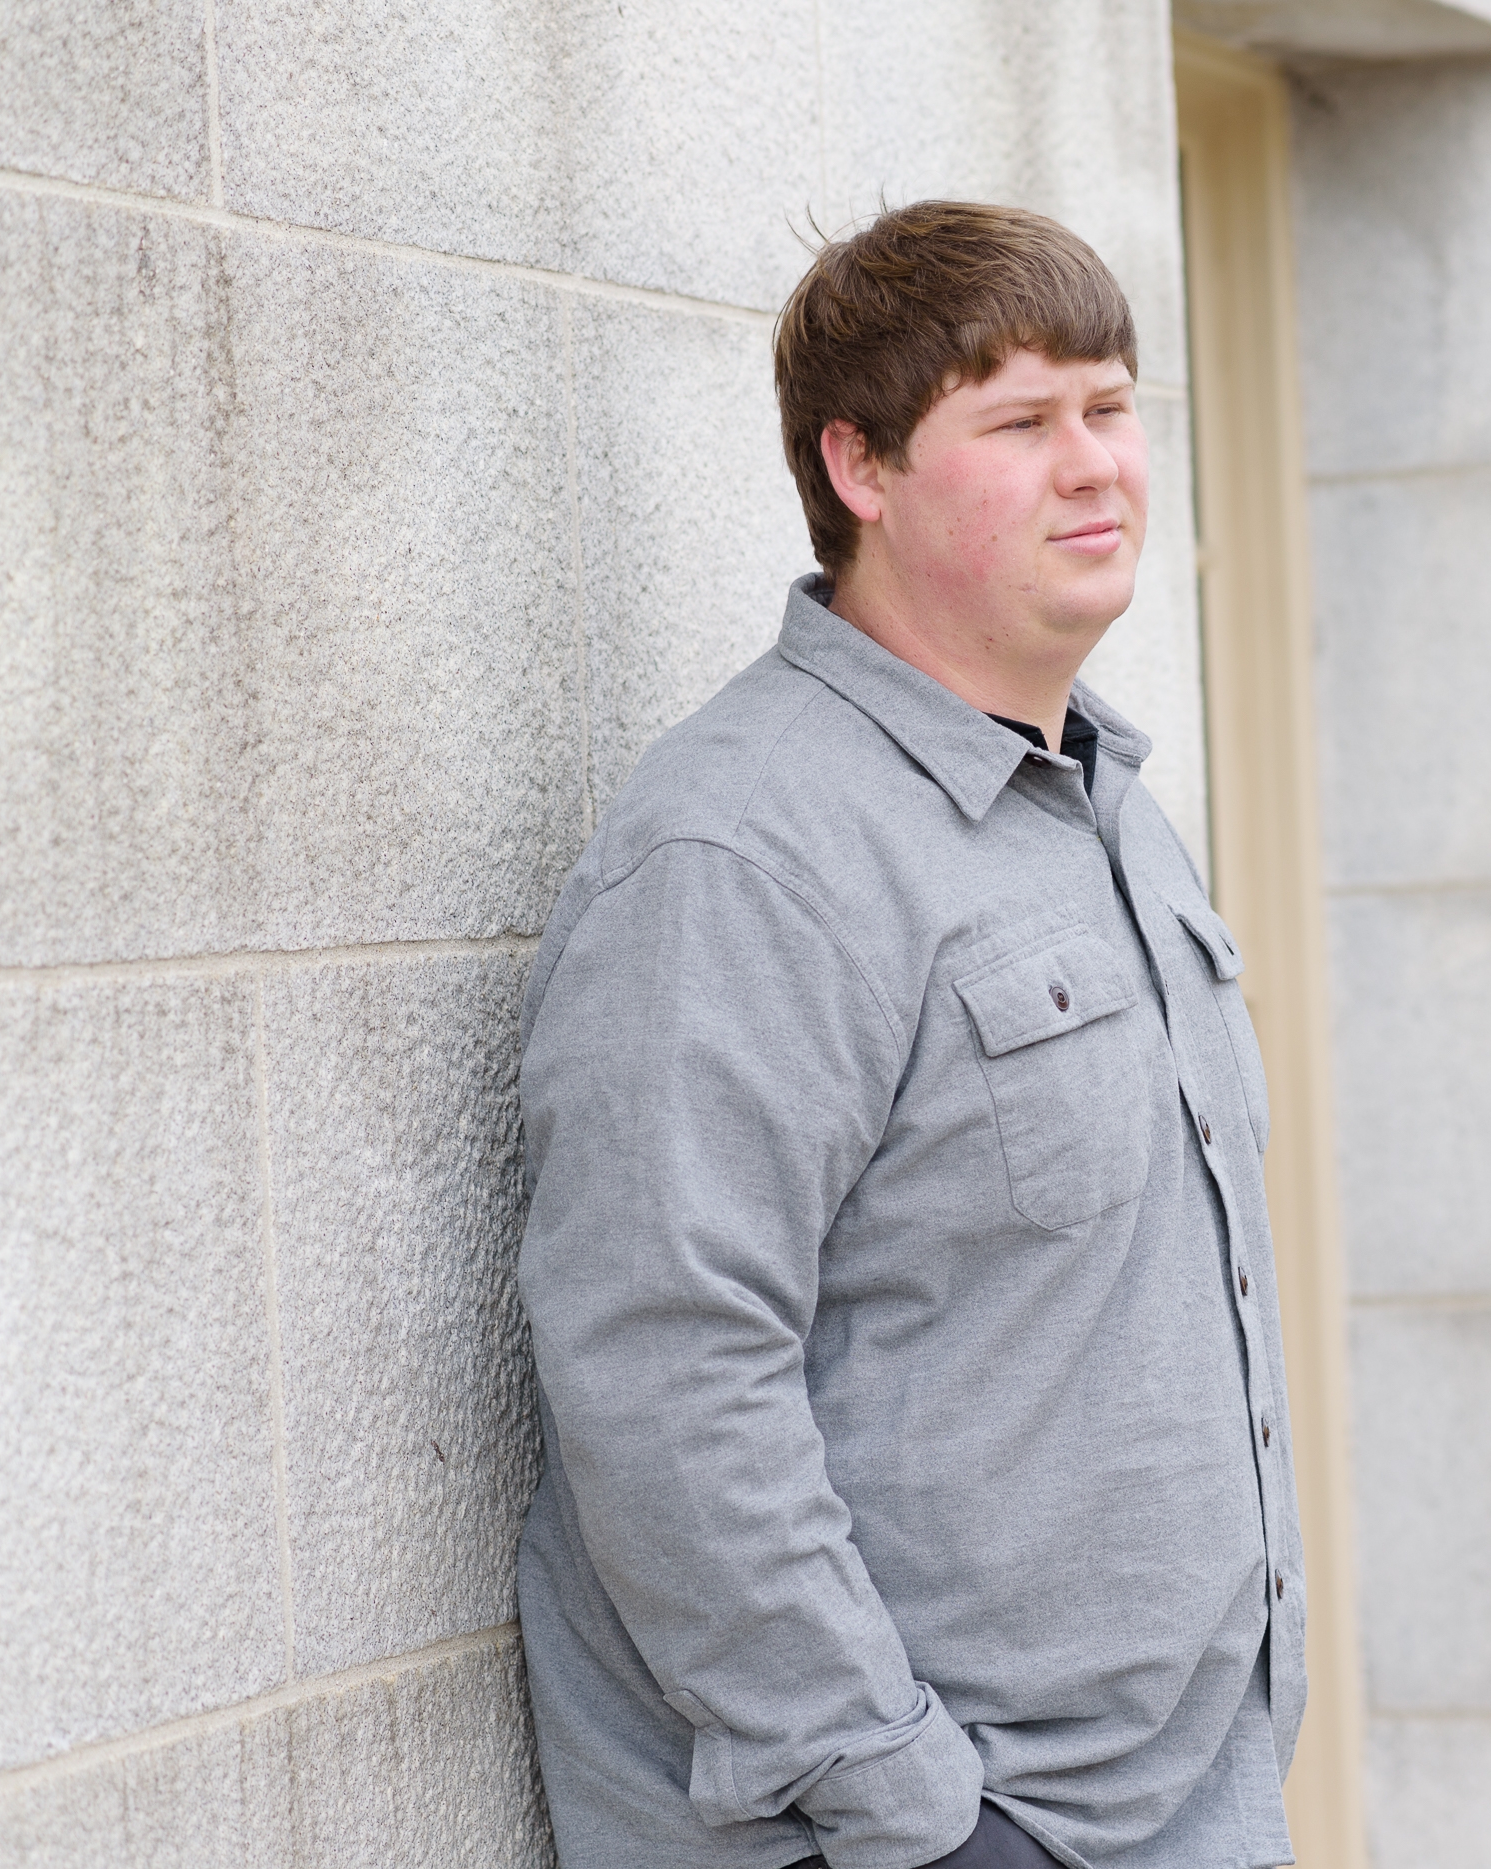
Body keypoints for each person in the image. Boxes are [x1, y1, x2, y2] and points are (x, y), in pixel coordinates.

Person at [513, 201, 1303, 1869]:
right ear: (859, 467)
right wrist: (914, 1809)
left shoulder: (1101, 802)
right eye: (1020, 424)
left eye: (1111, 405)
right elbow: (664, 1363)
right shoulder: (743, 851)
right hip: (924, 1835)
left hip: (1174, 1793)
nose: (1095, 465)